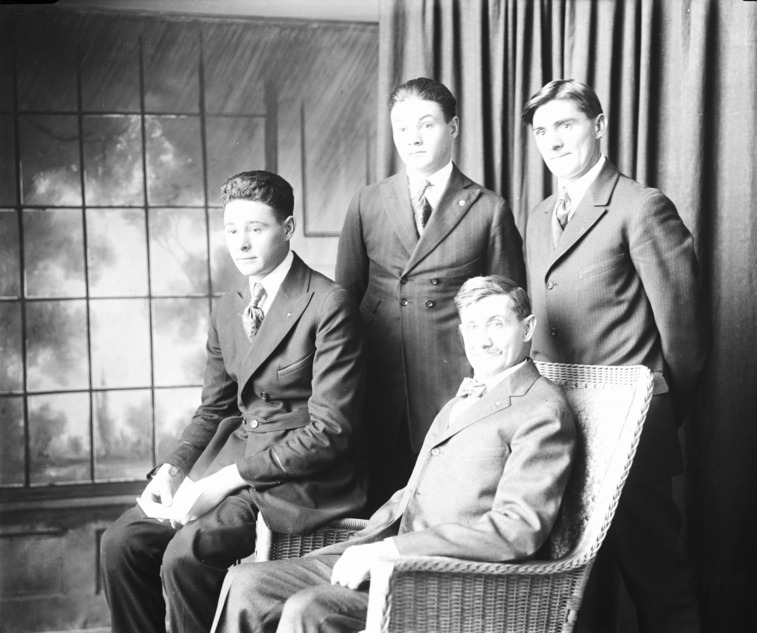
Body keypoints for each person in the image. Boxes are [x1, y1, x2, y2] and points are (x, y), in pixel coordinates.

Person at [210, 275, 576, 633]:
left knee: (311, 609)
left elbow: (516, 529)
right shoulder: (462, 399)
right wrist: (366, 546)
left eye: (497, 324)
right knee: (247, 583)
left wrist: (395, 551)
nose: (483, 340)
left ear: (527, 328)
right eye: (473, 327)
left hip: (450, 579)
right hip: (388, 553)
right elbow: (413, 493)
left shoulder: (541, 410)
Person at [100, 170, 367, 633]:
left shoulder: (328, 303)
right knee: (120, 543)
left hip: (297, 479)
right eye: (231, 230)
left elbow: (330, 431)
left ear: (287, 228)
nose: (241, 244)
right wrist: (173, 470)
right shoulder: (228, 306)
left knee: (185, 556)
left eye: (255, 229)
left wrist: (227, 479)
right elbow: (215, 408)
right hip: (230, 464)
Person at [522, 79, 711, 633]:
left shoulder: (641, 206)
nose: (554, 141)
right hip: (557, 429)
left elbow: (687, 338)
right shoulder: (538, 216)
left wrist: (651, 417)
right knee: (559, 592)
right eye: (542, 131)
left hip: (630, 434)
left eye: (566, 125)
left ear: (599, 125)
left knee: (659, 585)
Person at [336, 77, 526, 510]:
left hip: (451, 385)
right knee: (377, 507)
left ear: (453, 128)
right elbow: (344, 304)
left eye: (426, 124)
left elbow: (509, 317)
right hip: (378, 383)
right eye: (402, 128)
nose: (413, 138)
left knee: (445, 507)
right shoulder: (367, 202)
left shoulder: (487, 209)